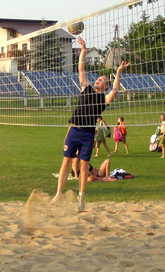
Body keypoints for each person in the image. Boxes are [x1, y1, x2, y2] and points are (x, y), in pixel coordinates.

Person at [50, 36, 129, 213]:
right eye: (98, 79)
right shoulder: (85, 88)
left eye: (102, 80)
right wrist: (83, 51)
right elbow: (81, 68)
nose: (98, 80)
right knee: (66, 162)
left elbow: (115, 90)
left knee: (84, 165)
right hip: (74, 130)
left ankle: (81, 197)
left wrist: (118, 72)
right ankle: (58, 193)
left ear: (105, 86)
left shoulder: (103, 99)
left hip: (87, 134)